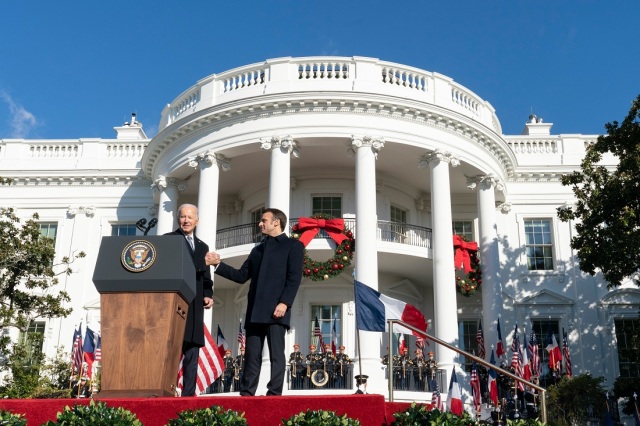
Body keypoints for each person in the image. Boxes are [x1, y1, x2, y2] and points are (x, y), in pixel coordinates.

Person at [205, 208, 304, 396]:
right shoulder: (257, 250)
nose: (260, 223)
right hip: (255, 312)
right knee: (251, 355)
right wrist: (217, 264)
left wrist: (284, 303)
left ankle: (274, 393)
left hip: (277, 310)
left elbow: (294, 278)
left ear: (276, 222)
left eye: (264, 220)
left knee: (276, 354)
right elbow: (241, 276)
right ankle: (247, 393)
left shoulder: (293, 245)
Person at [165, 204, 214, 397]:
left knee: (193, 350)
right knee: (173, 349)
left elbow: (207, 278)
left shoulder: (203, 246)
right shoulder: (169, 240)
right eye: (183, 217)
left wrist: (208, 294)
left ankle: (189, 395)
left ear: (197, 221)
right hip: (176, 302)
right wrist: (202, 265)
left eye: (190, 217)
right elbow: (173, 268)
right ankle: (166, 392)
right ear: (178, 219)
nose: (186, 220)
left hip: (195, 306)